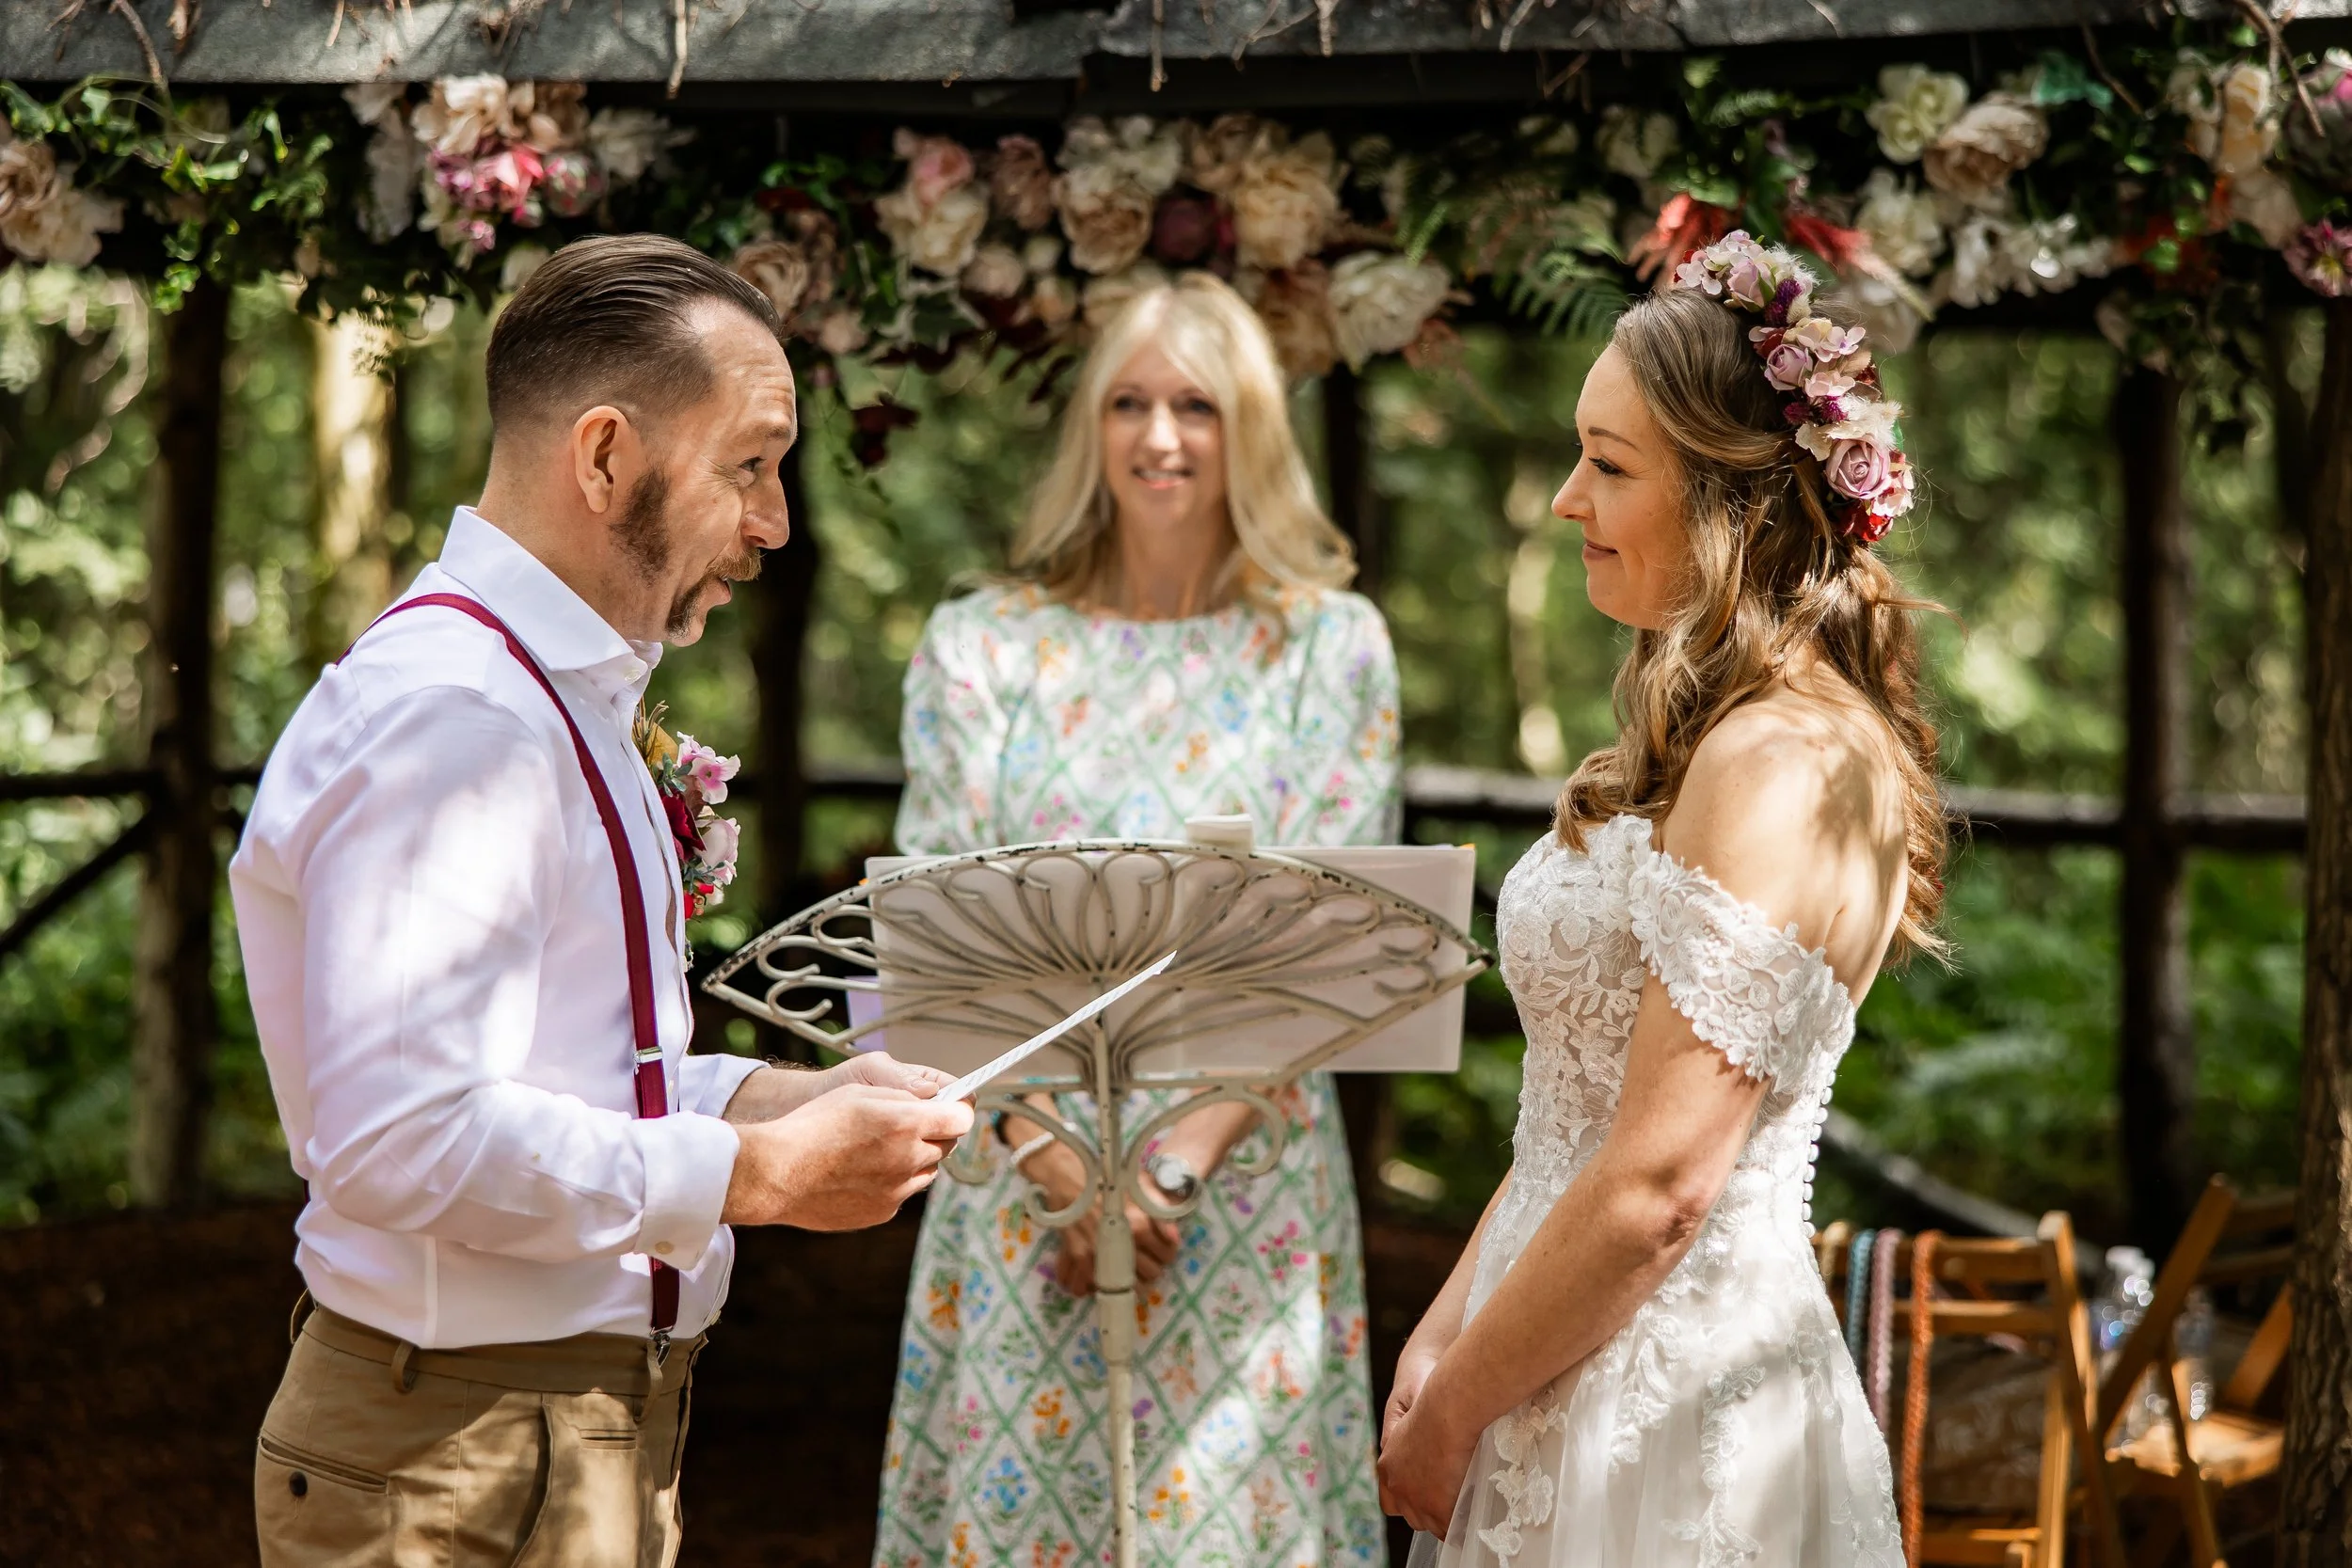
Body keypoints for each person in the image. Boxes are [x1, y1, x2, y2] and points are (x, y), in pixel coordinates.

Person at [229, 234, 974, 1568]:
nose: (776, 520)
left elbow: (569, 1070)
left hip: (556, 1437)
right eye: (749, 465)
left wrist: (770, 1100)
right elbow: (400, 1136)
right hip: (451, 1457)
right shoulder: (453, 718)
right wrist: (757, 1176)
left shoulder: (553, 692)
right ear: (607, 457)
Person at [1375, 234, 1939, 1567]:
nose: (1567, 498)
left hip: (1671, 1421)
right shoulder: (1704, 739)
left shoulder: (1785, 761)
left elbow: (1662, 1182)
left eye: (1610, 465)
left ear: (1733, 505)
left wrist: (1454, 1412)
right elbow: (1572, 1118)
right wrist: (1446, 1326)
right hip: (1545, 1358)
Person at [871, 273, 1400, 1568]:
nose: (1161, 436)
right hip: (1022, 1177)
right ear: (1090, 429)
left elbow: (1336, 933)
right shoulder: (982, 647)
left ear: (1251, 431)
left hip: (1245, 1186)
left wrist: (1166, 1168)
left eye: (1197, 406)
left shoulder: (1332, 650)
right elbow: (936, 927)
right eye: (1130, 403)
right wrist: (1062, 1162)